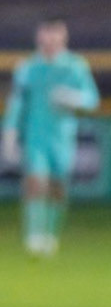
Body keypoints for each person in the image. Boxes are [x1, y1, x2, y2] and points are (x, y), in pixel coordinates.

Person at [2, 19, 98, 258]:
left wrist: (73, 98)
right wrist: (10, 134)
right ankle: (34, 234)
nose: (51, 41)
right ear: (39, 37)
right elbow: (17, 104)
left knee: (57, 187)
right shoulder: (28, 68)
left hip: (63, 137)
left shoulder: (75, 66)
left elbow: (92, 99)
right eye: (47, 36)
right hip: (36, 135)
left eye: (56, 36)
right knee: (36, 181)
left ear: (63, 38)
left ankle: (50, 234)